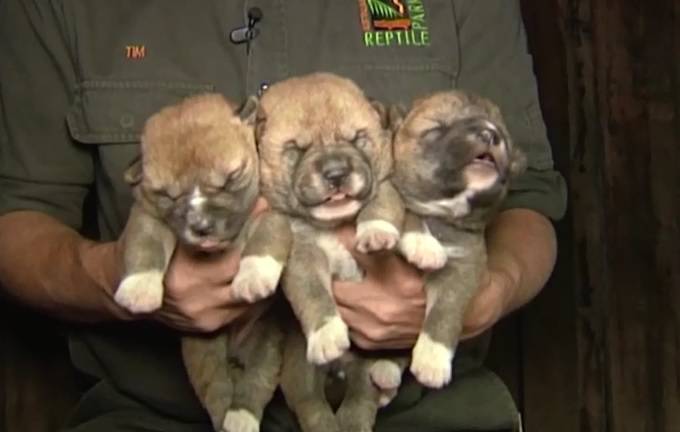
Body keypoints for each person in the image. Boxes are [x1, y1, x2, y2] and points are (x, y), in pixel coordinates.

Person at [0, 1, 567, 431]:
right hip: (154, 413)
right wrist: (114, 279)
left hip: (423, 409)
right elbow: (18, 215)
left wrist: (479, 299)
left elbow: (530, 200)